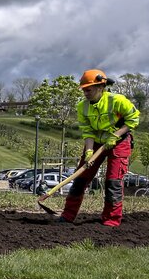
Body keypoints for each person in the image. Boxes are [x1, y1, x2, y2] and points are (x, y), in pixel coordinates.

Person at [59, 69, 140, 227]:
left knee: (113, 182)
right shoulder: (82, 107)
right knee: (80, 179)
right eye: (83, 90)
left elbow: (133, 119)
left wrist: (116, 135)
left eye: (88, 89)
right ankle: (67, 216)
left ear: (100, 87)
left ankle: (111, 220)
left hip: (120, 142)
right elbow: (87, 131)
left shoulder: (117, 100)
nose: (85, 93)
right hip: (96, 142)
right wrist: (89, 151)